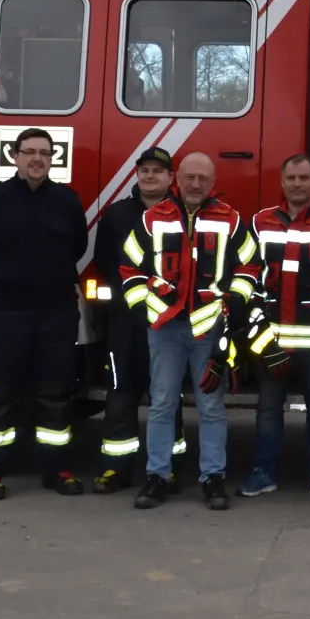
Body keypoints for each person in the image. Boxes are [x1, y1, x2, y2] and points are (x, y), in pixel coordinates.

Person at [119, 152, 253, 511]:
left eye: (203, 179)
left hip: (210, 329)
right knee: (162, 404)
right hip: (164, 328)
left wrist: (233, 304)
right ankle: (157, 477)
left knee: (212, 406)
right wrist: (142, 307)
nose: (196, 185)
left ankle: (213, 478)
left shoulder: (232, 219)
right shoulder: (152, 219)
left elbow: (251, 267)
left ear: (213, 182)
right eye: (190, 177)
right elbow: (129, 266)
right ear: (177, 178)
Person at [0, 128, 88, 500]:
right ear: (14, 156)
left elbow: (77, 247)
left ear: (53, 159)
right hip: (4, 311)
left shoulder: (67, 202)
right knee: (0, 392)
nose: (37, 159)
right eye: (29, 152)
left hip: (55, 311)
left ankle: (56, 469)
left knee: (55, 393)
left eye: (45, 153)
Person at [237, 154, 310, 499]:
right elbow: (247, 278)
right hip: (271, 339)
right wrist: (259, 336)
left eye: (303, 178)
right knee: (267, 410)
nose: (297, 184)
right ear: (282, 182)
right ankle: (263, 471)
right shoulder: (261, 223)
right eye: (291, 178)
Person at [90, 146, 186, 495]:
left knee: (167, 396)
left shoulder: (180, 216)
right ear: (136, 174)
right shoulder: (116, 216)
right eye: (144, 170)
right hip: (126, 320)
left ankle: (168, 468)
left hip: (168, 321)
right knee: (121, 393)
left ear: (170, 178)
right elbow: (104, 262)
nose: (150, 176)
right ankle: (117, 469)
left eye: (157, 171)